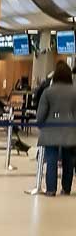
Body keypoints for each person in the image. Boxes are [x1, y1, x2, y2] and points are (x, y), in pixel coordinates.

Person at [36, 60, 76, 196]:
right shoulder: (74, 92)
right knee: (68, 161)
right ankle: (66, 189)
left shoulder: (48, 92)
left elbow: (41, 114)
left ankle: (51, 189)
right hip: (70, 130)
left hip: (51, 130)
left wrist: (41, 126)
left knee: (51, 159)